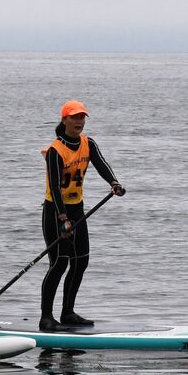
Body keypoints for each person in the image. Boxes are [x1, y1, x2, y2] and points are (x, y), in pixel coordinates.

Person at [39, 99, 126, 332]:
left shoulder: (89, 143)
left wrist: (114, 182)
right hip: (56, 211)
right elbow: (55, 187)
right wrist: (63, 219)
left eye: (82, 117)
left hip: (77, 209)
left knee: (81, 261)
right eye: (75, 117)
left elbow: (101, 164)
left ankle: (67, 312)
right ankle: (46, 317)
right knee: (59, 263)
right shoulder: (56, 151)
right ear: (64, 119)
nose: (79, 122)